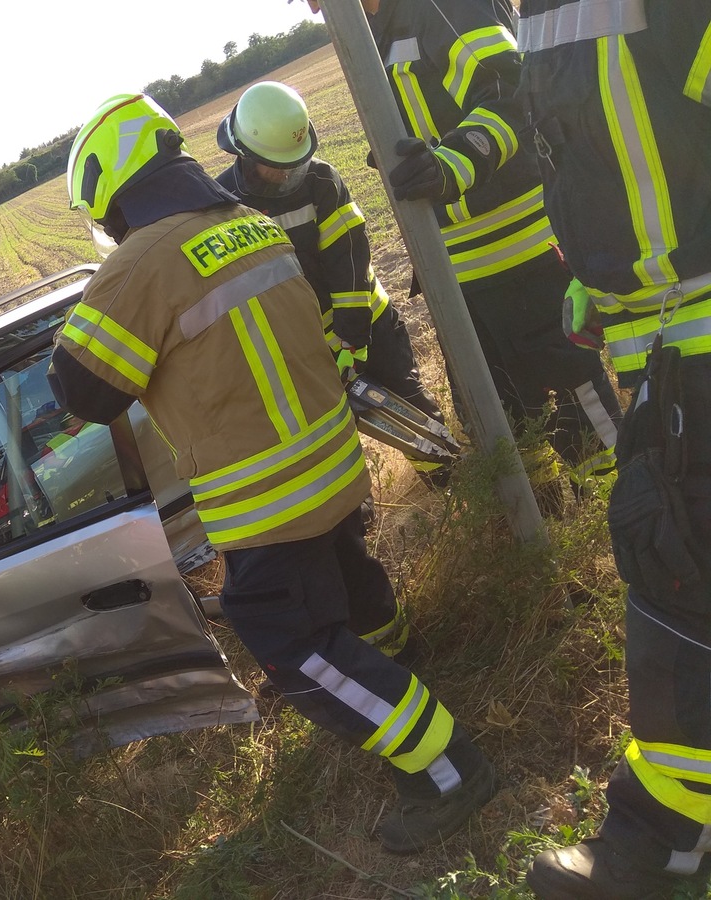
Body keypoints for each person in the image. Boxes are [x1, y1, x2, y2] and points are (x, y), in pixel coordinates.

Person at [49, 92, 496, 854]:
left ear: (109, 190)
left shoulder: (140, 263)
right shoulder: (250, 225)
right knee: (348, 582)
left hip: (264, 499)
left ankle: (449, 766)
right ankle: (398, 660)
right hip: (328, 465)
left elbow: (80, 390)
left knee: (293, 646)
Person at [511, 3, 711, 897]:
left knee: (678, 593)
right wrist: (598, 277)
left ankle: (657, 837)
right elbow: (609, 161)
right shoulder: (547, 11)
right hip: (663, 355)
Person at [318, 0, 623, 498]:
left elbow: (510, 88)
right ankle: (544, 539)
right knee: (505, 416)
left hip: (522, 251)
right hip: (457, 272)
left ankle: (623, 528)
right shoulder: (370, 33)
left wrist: (452, 164)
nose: (312, 6)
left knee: (578, 403)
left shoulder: (437, 7)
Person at [215, 80, 452, 488]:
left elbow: (350, 258)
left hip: (368, 323)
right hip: (309, 350)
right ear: (245, 153)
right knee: (341, 438)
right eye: (278, 164)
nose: (290, 172)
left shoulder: (322, 182)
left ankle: (451, 482)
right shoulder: (226, 206)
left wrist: (352, 336)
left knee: (414, 409)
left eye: (296, 161)